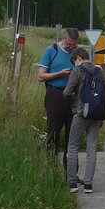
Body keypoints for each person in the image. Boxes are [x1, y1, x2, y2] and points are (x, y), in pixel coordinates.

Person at [63, 47, 105, 193]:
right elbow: (103, 95)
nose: (75, 63)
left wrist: (75, 95)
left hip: (81, 113)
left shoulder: (77, 70)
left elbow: (67, 92)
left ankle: (72, 183)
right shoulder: (99, 70)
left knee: (73, 147)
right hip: (96, 114)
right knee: (91, 149)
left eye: (75, 61)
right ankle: (88, 184)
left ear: (78, 58)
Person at [37, 27, 80, 167]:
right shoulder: (52, 50)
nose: (71, 47)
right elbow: (41, 76)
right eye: (69, 44)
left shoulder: (77, 53)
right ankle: (51, 167)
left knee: (72, 133)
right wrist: (60, 73)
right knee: (53, 131)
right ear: (63, 38)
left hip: (73, 96)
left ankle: (70, 171)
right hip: (55, 93)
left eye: (74, 44)